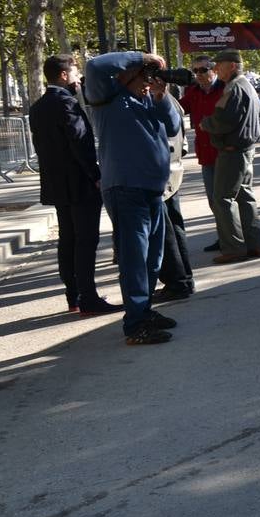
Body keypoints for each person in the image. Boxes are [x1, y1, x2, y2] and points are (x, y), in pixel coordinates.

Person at [82, 51, 181, 345]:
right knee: (135, 260)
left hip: (152, 189)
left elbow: (173, 126)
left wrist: (162, 95)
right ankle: (135, 324)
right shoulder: (107, 98)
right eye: (143, 76)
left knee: (153, 259)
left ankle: (144, 311)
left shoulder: (149, 99)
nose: (147, 82)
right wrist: (140, 56)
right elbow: (95, 66)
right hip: (126, 189)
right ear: (125, 75)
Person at [27, 54, 119, 315]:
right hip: (78, 183)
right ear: (64, 75)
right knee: (85, 241)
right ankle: (88, 297)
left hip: (56, 184)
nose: (79, 78)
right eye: (76, 72)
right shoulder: (66, 103)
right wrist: (95, 174)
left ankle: (74, 295)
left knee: (67, 240)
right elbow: (79, 143)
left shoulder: (39, 106)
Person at [199, 49, 260, 264]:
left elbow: (223, 120)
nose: (215, 68)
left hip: (233, 152)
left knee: (222, 198)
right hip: (244, 150)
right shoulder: (244, 86)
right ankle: (254, 245)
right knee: (244, 196)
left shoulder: (235, 87)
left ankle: (234, 248)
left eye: (220, 64)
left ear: (233, 66)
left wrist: (205, 123)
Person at [151, 78, 194, 302]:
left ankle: (178, 281)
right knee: (174, 227)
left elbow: (171, 129)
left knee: (168, 230)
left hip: (163, 170)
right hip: (171, 168)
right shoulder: (170, 100)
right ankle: (183, 279)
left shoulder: (160, 100)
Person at [179, 54, 222, 252]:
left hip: (226, 152)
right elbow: (178, 109)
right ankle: (224, 237)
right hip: (206, 155)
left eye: (203, 70)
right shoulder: (193, 91)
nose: (199, 74)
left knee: (230, 200)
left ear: (213, 69)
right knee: (214, 200)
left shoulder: (225, 89)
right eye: (195, 71)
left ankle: (238, 239)